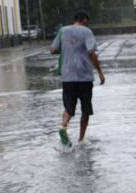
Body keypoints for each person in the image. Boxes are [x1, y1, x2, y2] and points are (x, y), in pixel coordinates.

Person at [50, 10, 105, 146]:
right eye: (87, 21)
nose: (88, 24)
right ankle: (81, 140)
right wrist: (100, 72)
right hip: (84, 77)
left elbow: (52, 50)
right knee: (85, 109)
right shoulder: (87, 32)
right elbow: (91, 52)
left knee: (69, 108)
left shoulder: (63, 30)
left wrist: (66, 48)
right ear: (83, 19)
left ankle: (63, 127)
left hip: (68, 77)